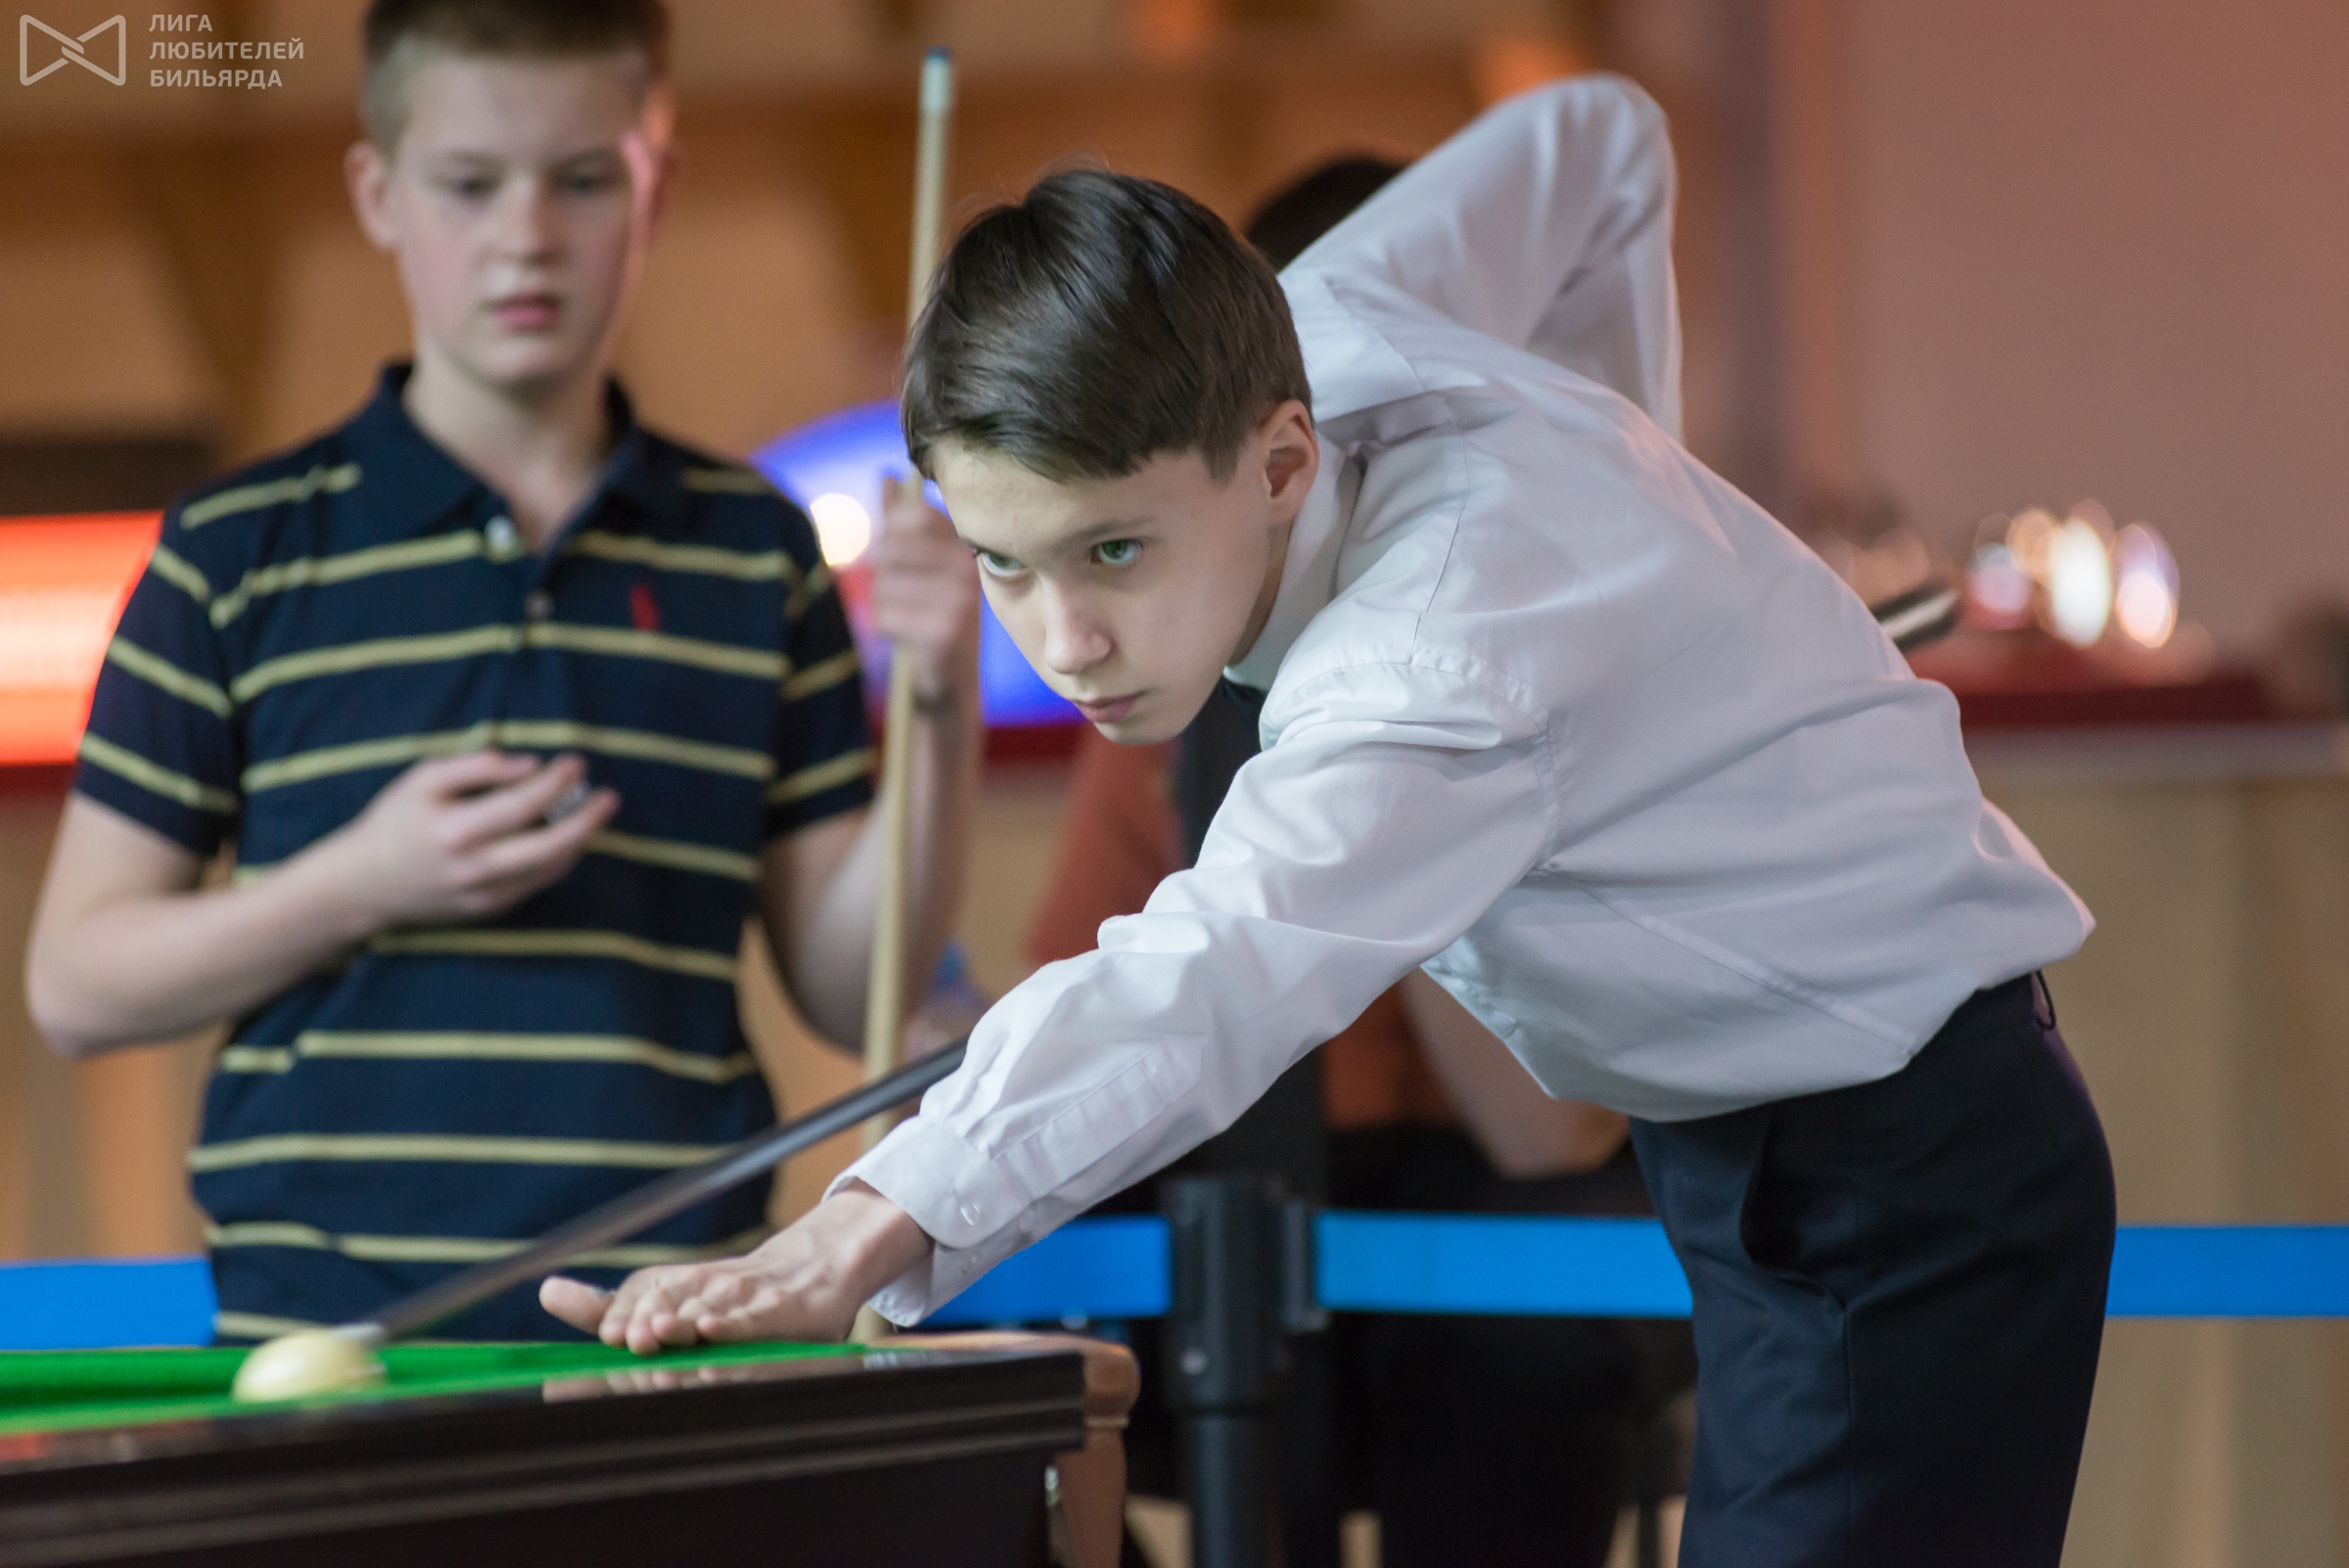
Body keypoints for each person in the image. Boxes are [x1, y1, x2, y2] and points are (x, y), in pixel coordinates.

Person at [551, 76, 2117, 1567]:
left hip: (1907, 1185)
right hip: (1781, 1152)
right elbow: (1597, 144)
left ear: (1283, 461)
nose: (1065, 640)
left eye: (1114, 552)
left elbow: (1198, 977)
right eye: (1004, 562)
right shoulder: (1315, 317)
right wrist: (1635, 495)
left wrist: (854, 1230)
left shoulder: (1431, 659)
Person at [23, 0, 983, 1342]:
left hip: (665, 1321)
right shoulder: (233, 552)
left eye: (581, 180)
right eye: (469, 185)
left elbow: (852, 983)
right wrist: (362, 879)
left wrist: (944, 699)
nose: (526, 235)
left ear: (656, 189)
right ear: (379, 194)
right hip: (322, 1343)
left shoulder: (753, 552)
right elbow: (75, 983)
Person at [1021, 156, 1688, 1568]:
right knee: (1005, 1325)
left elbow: (1546, 1135)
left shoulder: (1548, 646)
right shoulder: (1170, 686)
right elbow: (1074, 1039)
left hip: (1502, 1188)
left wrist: (1399, 805)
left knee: (1514, 1357)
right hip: (1241, 1180)